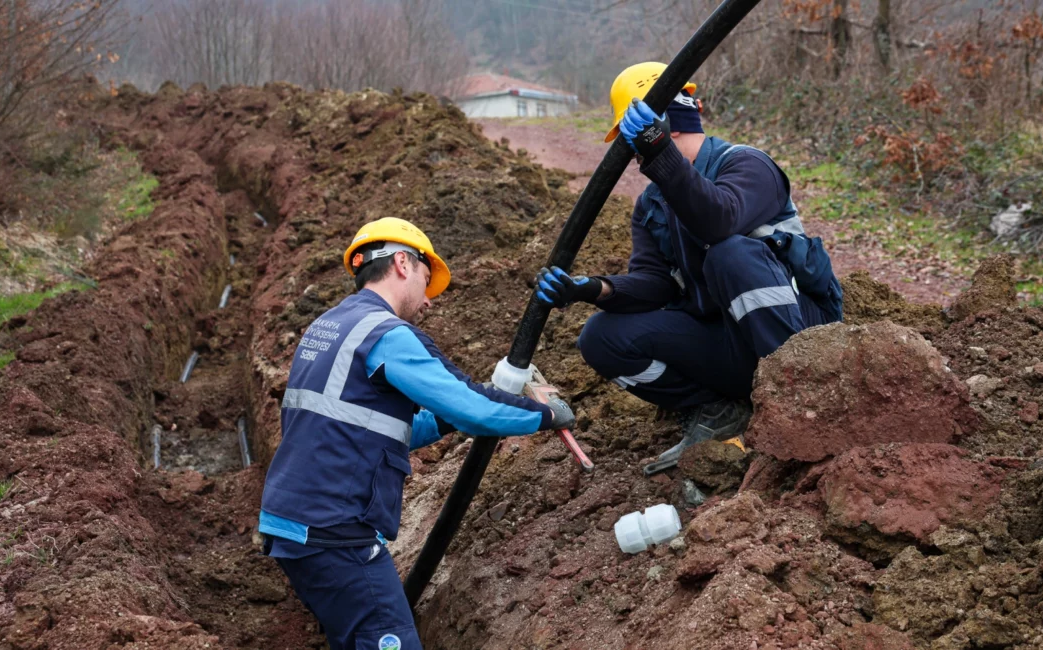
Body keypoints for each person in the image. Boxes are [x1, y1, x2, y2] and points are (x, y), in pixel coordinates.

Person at [259, 217, 575, 650]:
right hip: (335, 532)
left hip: (294, 522)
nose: (427, 302)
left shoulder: (329, 326)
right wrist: (545, 414)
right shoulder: (387, 335)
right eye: (427, 282)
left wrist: (443, 418)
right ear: (403, 264)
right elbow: (473, 407)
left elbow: (367, 428)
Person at [535, 62, 843, 475]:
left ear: (663, 124)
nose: (630, 156)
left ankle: (802, 403)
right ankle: (718, 412)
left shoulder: (747, 165)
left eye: (631, 143)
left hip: (802, 337)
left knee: (729, 254)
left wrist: (658, 151)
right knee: (602, 337)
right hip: (732, 343)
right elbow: (654, 285)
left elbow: (718, 219)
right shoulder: (652, 204)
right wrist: (592, 290)